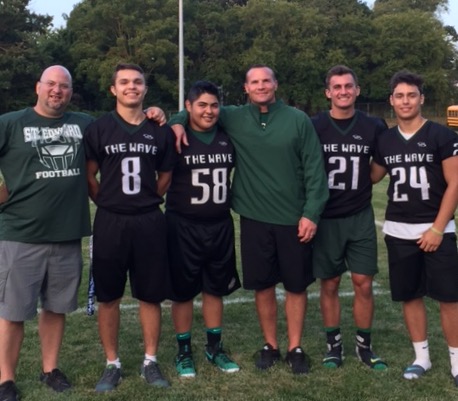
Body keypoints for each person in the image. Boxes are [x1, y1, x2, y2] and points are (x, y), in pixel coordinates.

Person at [169, 65, 329, 375]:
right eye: (254, 81)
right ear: (246, 87)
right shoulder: (234, 115)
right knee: (263, 285)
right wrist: (175, 122)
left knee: (296, 286)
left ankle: (295, 346)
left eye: (266, 80)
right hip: (253, 217)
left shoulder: (297, 120)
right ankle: (270, 344)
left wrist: (311, 213)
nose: (261, 86)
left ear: (275, 83)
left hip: (293, 218)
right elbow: (194, 108)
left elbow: (314, 169)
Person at [0, 65, 93, 401]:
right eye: (51, 84)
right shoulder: (11, 123)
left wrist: (161, 114)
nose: (57, 91)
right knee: (13, 312)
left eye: (64, 86)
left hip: (67, 234)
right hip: (21, 234)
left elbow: (123, 129)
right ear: (38, 87)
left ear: (71, 92)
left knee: (55, 308)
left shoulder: (84, 124)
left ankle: (50, 368)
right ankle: (5, 379)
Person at [83, 63, 176, 392]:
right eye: (124, 82)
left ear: (145, 89)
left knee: (150, 295)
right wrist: (110, 202)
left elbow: (165, 175)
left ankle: (150, 361)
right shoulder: (99, 128)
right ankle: (113, 363)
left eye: (137, 82)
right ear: (113, 89)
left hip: (149, 220)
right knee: (109, 295)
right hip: (110, 220)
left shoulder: (158, 128)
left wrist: (147, 199)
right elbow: (90, 176)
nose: (131, 87)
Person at [371, 70, 458, 384]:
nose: (405, 101)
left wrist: (437, 229)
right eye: (399, 96)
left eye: (411, 95)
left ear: (422, 98)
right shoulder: (385, 139)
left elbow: (455, 183)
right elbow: (372, 176)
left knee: (449, 297)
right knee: (411, 295)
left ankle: (456, 361)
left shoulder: (442, 136)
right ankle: (421, 357)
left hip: (437, 229)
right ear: (391, 101)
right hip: (398, 229)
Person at [311, 65, 388, 370]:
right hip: (327, 216)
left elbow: (379, 166)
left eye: (349, 86)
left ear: (357, 90)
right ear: (328, 92)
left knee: (363, 283)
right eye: (337, 87)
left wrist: (364, 183)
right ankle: (334, 345)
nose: (343, 91)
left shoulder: (374, 126)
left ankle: (364, 346)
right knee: (329, 283)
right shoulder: (314, 125)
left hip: (359, 215)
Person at [166, 81, 241, 378]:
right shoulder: (174, 137)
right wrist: (175, 122)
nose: (208, 111)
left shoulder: (227, 137)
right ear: (188, 107)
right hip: (182, 224)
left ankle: (214, 346)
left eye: (213, 105)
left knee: (215, 288)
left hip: (219, 223)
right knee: (182, 292)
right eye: (202, 105)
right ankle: (184, 351)